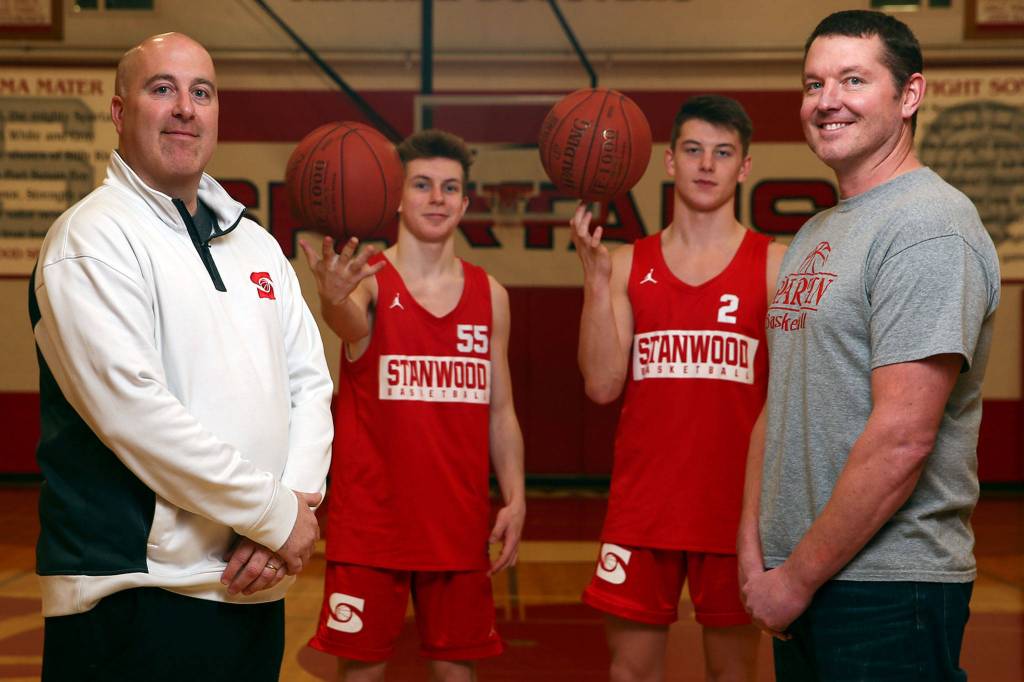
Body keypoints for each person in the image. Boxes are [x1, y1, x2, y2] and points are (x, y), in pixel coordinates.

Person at [28, 33, 333, 681]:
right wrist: (277, 517)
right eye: (161, 89)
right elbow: (139, 418)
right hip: (132, 595)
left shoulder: (256, 244)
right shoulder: (91, 240)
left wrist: (293, 509)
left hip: (253, 580)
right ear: (119, 112)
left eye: (202, 92)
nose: (185, 108)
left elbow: (309, 383)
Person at [738, 10, 1000, 681]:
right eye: (813, 83)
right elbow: (779, 405)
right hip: (801, 581)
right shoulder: (817, 232)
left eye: (853, 79)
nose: (827, 101)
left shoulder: (929, 225)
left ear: (908, 95)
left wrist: (794, 578)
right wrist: (755, 554)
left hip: (889, 589)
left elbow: (903, 440)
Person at [573, 95, 786, 682]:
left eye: (723, 153)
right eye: (693, 150)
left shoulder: (774, 265)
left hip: (736, 511)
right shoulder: (622, 263)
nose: (706, 165)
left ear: (744, 167)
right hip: (643, 509)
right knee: (629, 672)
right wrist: (594, 284)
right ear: (670, 161)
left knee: (733, 675)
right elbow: (601, 384)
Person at [301, 129, 526, 682]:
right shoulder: (370, 283)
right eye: (422, 185)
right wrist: (334, 295)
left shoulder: (490, 294)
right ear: (398, 197)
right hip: (372, 526)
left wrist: (516, 498)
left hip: (457, 525)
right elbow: (348, 322)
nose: (437, 198)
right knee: (362, 673)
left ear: (466, 203)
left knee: (456, 672)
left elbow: (501, 412)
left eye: (450, 188)